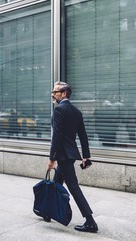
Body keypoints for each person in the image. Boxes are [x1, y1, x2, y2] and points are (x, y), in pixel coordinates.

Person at [47, 81, 98, 233]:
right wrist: (86, 156)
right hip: (69, 155)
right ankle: (47, 212)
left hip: (62, 156)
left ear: (64, 93)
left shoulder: (59, 111)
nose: (53, 94)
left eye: (55, 92)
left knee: (73, 187)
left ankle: (90, 221)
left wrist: (52, 159)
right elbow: (83, 135)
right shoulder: (76, 111)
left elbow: (56, 136)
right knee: (56, 185)